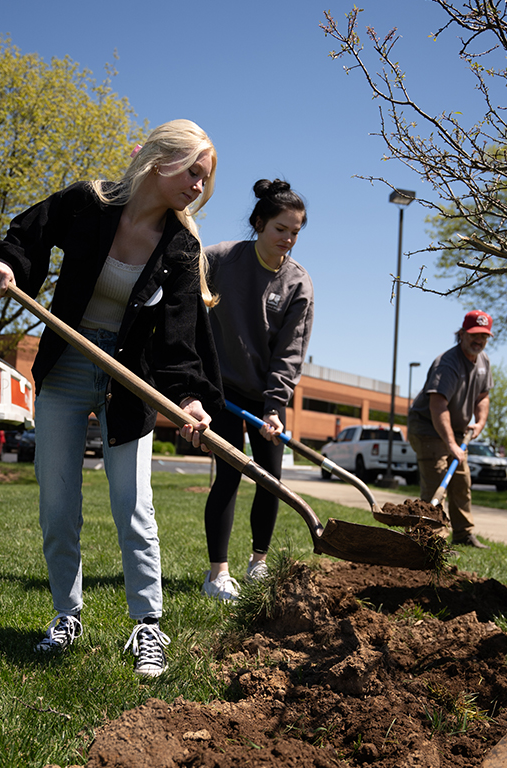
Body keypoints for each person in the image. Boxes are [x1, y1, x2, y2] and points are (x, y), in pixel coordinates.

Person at [0, 119, 224, 675]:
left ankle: (147, 627)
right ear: (161, 160)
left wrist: (187, 400)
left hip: (127, 379)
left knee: (132, 505)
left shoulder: (181, 248)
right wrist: (8, 264)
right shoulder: (88, 202)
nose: (197, 187)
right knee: (58, 502)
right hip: (67, 361)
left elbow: (181, 338)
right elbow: (29, 234)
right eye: (192, 172)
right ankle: (66, 615)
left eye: (204, 179)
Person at [201, 179, 314, 601]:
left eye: (295, 231)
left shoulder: (298, 284)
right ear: (259, 223)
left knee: (270, 479)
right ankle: (217, 575)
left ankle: (258, 564)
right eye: (280, 228)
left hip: (264, 394)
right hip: (221, 389)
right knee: (229, 473)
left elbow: (290, 353)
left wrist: (274, 407)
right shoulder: (219, 260)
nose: (287, 239)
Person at [407, 310, 494, 548]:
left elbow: (483, 396)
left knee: (461, 483)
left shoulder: (483, 361)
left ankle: (464, 535)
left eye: (484, 336)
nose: (479, 341)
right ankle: (433, 540)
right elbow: (437, 405)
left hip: (455, 430)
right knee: (437, 483)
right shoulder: (448, 363)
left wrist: (480, 422)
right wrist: (451, 445)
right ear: (462, 334)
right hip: (427, 427)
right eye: (474, 335)